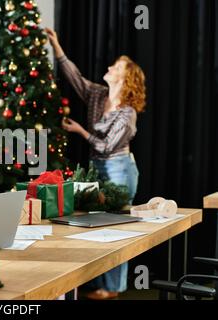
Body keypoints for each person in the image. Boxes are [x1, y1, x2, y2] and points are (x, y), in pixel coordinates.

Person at [45, 28, 146, 299]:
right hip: (97, 168)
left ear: (126, 78)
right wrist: (57, 46)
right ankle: (98, 282)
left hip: (119, 169)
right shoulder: (98, 95)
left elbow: (107, 146)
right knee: (97, 223)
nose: (110, 67)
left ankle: (112, 288)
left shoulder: (128, 113)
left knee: (118, 226)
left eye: (116, 67)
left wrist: (80, 131)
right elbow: (75, 77)